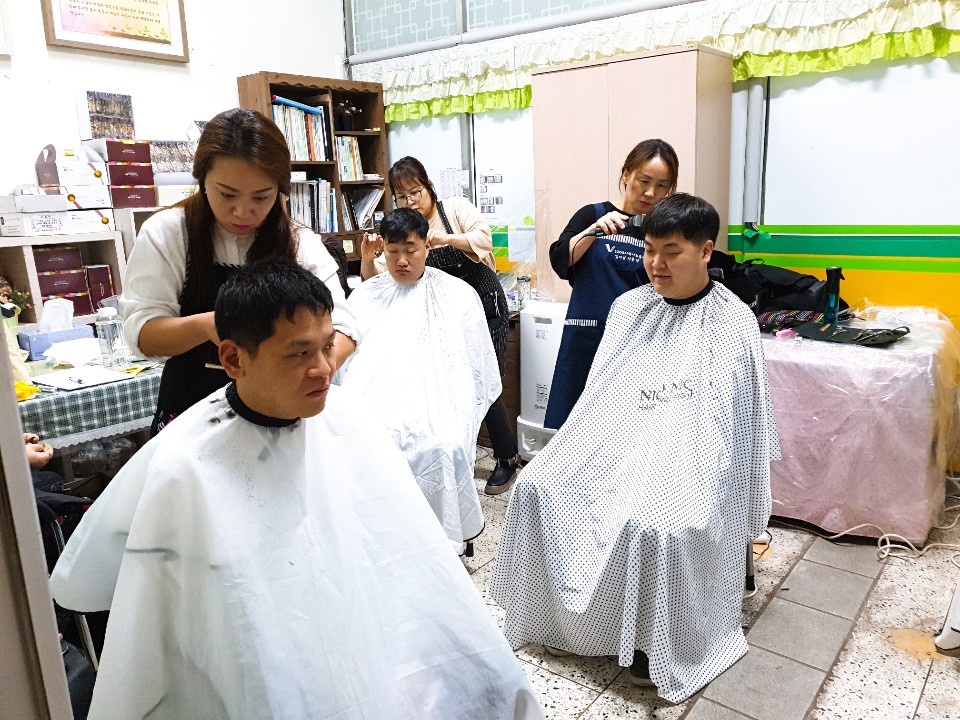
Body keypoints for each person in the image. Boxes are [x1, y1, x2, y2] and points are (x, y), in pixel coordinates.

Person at [50, 260, 543, 720]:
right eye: (299, 353)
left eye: (327, 347)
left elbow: (410, 562)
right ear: (233, 358)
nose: (324, 368)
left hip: (357, 637)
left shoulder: (351, 418)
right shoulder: (185, 466)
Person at [492, 194, 779, 703]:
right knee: (538, 485)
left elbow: (733, 423)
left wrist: (672, 452)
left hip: (691, 453)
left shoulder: (733, 321)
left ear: (705, 251)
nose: (655, 264)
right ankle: (556, 617)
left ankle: (656, 640)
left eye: (671, 252)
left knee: (656, 520)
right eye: (649, 250)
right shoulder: (628, 308)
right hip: (617, 440)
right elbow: (600, 398)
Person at [121, 108, 357, 433]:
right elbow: (143, 333)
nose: (243, 211)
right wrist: (209, 325)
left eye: (262, 197)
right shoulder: (168, 233)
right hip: (192, 412)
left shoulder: (298, 242)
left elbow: (344, 327)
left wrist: (314, 366)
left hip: (280, 412)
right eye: (227, 194)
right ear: (202, 180)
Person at [343, 208, 501, 552]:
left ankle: (440, 541)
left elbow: (475, 367)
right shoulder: (367, 295)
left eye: (410, 250)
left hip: (440, 401)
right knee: (364, 441)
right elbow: (347, 364)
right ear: (383, 249)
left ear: (427, 247)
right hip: (378, 400)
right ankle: (380, 542)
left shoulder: (456, 294)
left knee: (444, 444)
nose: (401, 260)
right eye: (393, 251)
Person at [359, 156, 520, 495]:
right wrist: (369, 256)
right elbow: (377, 279)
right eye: (402, 197)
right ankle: (453, 454)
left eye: (415, 192)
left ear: (429, 187)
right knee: (448, 383)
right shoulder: (406, 229)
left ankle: (507, 458)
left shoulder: (455, 209)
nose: (410, 201)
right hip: (441, 317)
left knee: (482, 377)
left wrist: (445, 238)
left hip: (481, 306)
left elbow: (484, 239)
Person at [543, 139, 679, 429]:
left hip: (637, 346)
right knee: (576, 429)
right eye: (644, 180)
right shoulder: (593, 215)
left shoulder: (662, 231)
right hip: (586, 341)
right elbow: (560, 259)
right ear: (626, 174)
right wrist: (593, 231)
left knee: (624, 430)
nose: (650, 192)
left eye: (661, 186)